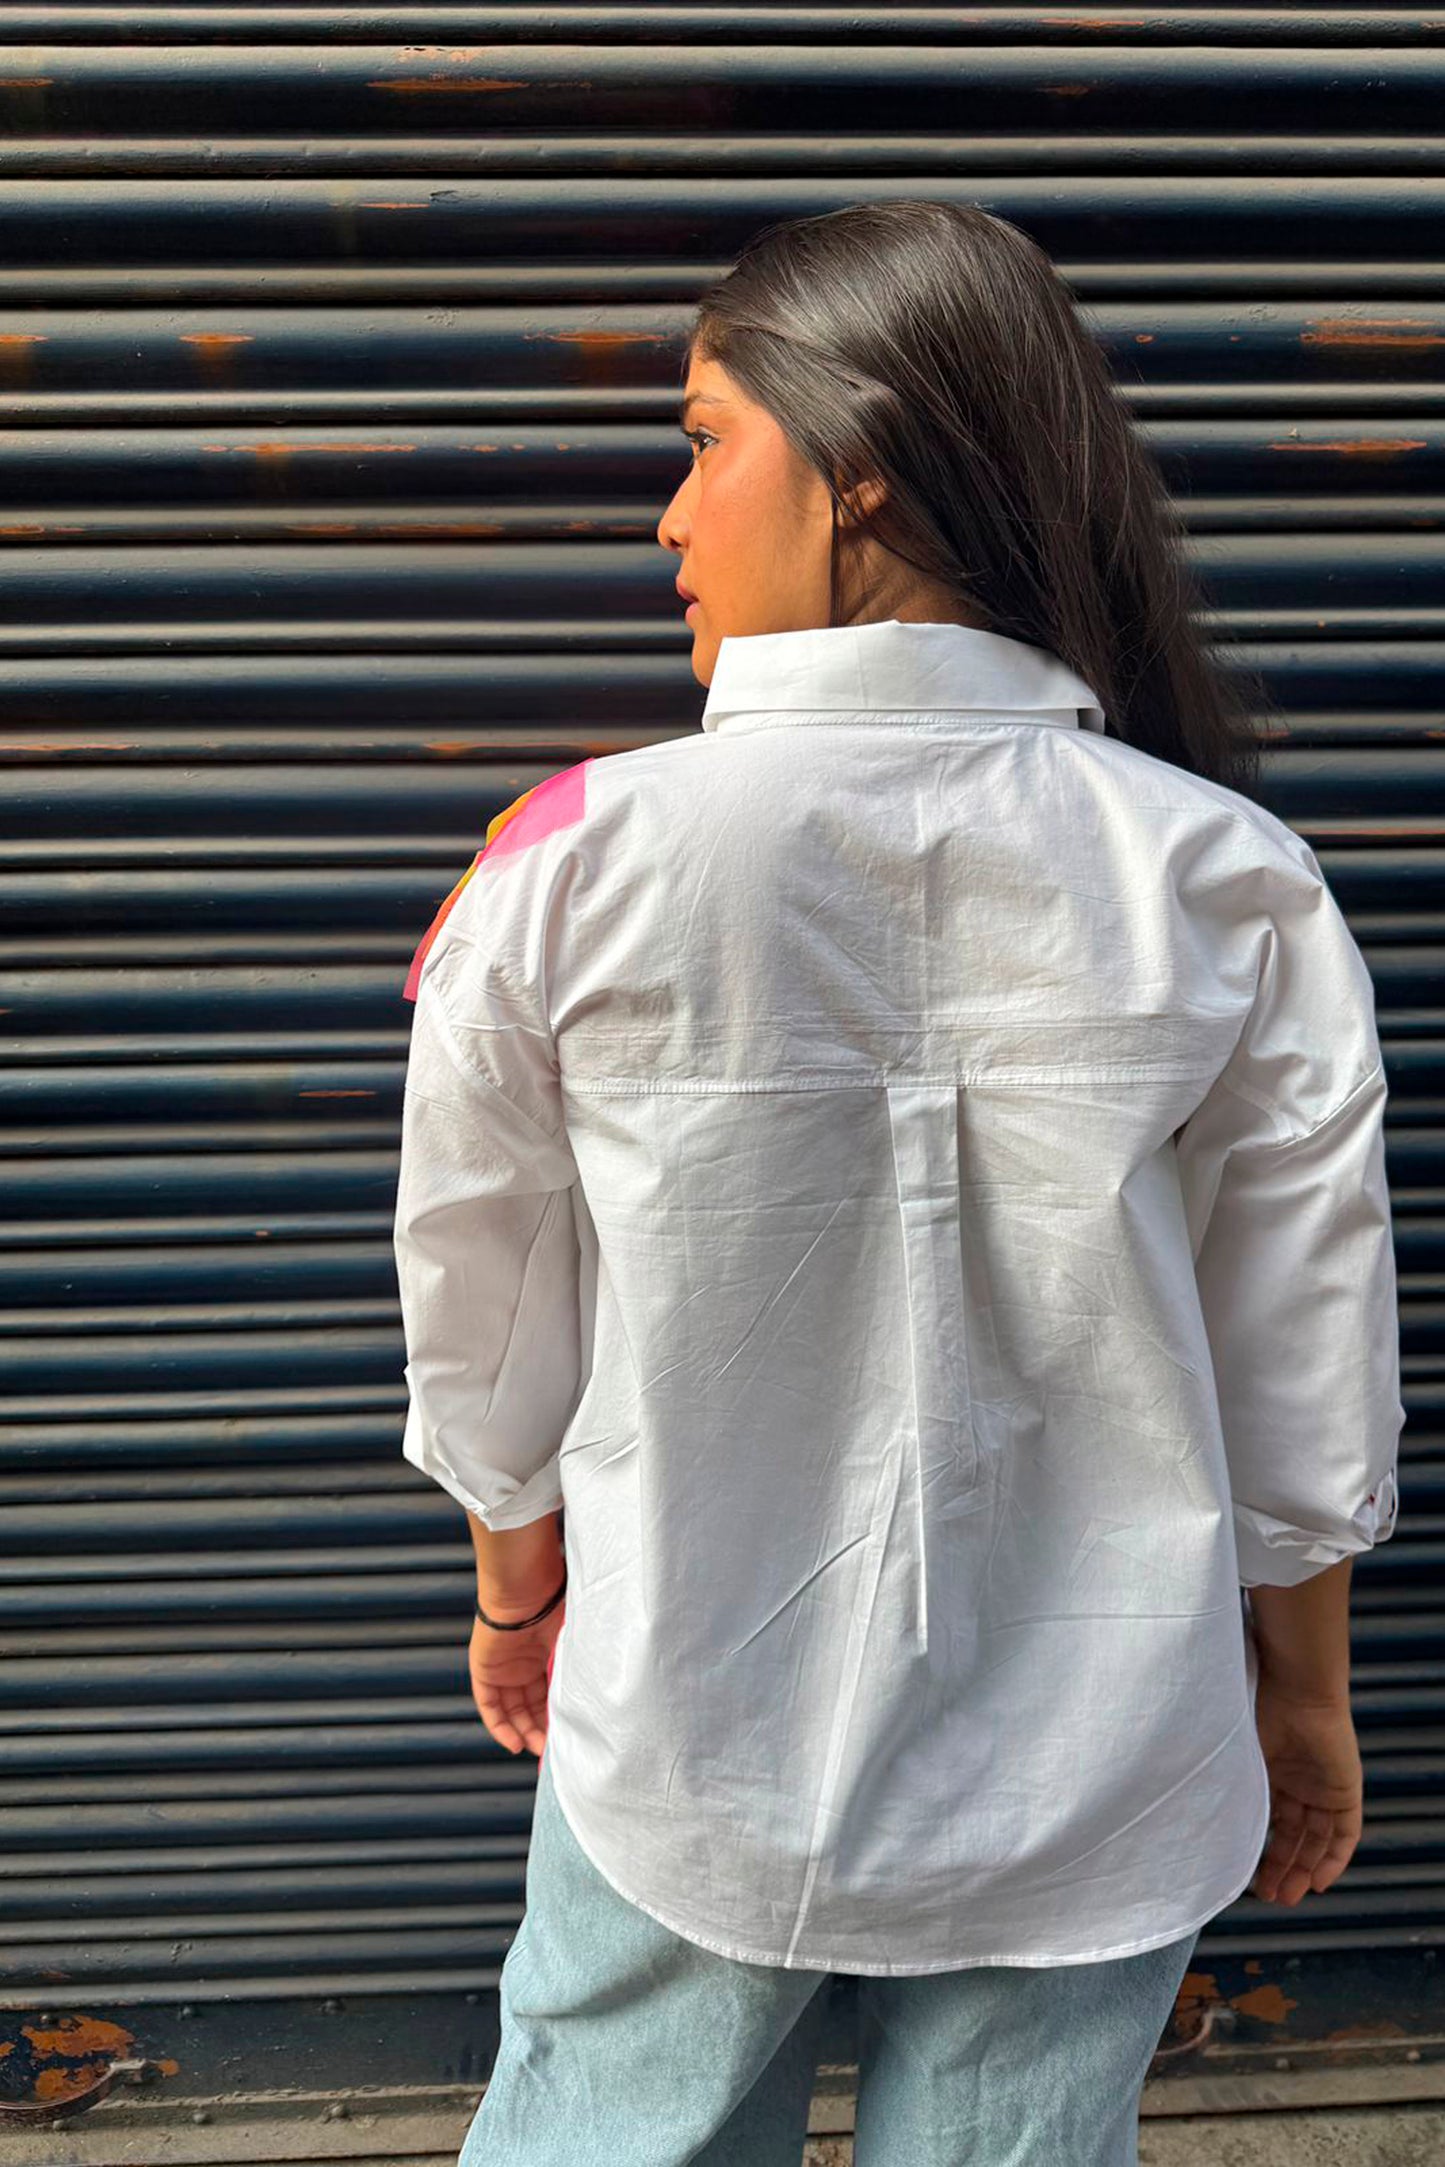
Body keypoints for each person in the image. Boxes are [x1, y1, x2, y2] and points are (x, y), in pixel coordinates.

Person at [391, 200, 1403, 2166]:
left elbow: (481, 1298)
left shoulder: (572, 860)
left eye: (701, 439)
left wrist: (519, 1591)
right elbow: (1308, 1376)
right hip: (1107, 1749)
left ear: (856, 466)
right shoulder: (1227, 881)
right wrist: (1302, 1703)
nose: (669, 521)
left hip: (690, 1723)